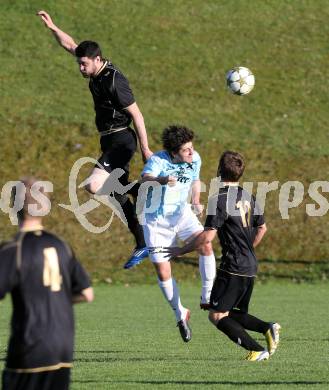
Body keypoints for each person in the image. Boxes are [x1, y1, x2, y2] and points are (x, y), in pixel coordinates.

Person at [37, 11, 152, 268]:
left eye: (84, 64)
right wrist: (53, 26)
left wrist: (145, 148)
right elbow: (69, 44)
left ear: (97, 60)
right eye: (79, 63)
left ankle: (141, 190)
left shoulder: (115, 82)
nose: (80, 67)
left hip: (122, 140)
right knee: (119, 195)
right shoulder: (93, 68)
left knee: (93, 185)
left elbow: (137, 114)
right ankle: (142, 242)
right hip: (108, 141)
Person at [165, 151, 281, 360]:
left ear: (219, 171)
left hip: (233, 267)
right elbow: (262, 228)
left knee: (217, 315)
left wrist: (181, 250)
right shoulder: (248, 196)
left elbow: (208, 236)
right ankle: (268, 328)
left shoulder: (218, 200)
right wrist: (247, 249)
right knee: (233, 313)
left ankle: (256, 349)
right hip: (250, 265)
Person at [0, 177, 94, 389]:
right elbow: (87, 293)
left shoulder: (13, 249)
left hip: (29, 348)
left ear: (14, 206)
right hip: (62, 348)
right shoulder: (61, 245)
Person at [138, 125, 216, 342]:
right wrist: (162, 180)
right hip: (155, 220)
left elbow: (195, 179)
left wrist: (196, 200)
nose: (191, 153)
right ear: (173, 153)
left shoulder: (195, 158)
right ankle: (179, 312)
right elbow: (145, 178)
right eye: (186, 150)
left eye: (191, 148)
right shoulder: (159, 160)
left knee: (205, 243)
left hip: (181, 214)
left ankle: (207, 293)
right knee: (163, 272)